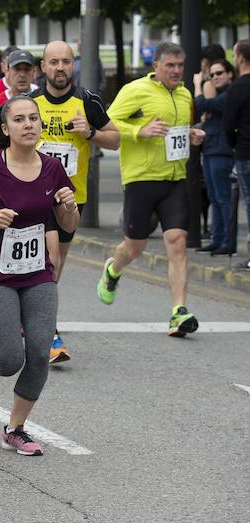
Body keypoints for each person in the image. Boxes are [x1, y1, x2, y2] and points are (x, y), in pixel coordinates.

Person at [0, 95, 78, 456]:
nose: (29, 125)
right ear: (6, 128)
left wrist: (69, 208)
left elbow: (68, 224)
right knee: (9, 360)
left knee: (40, 354)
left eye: (34, 119)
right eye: (20, 119)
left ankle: (15, 428)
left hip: (38, 272)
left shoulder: (53, 167)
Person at [99, 42, 205, 336]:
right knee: (135, 246)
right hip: (141, 178)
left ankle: (178, 312)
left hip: (175, 179)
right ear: (155, 67)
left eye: (179, 65)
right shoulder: (136, 91)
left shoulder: (184, 94)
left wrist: (192, 134)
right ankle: (112, 270)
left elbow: (179, 131)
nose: (175, 71)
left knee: (177, 242)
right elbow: (109, 123)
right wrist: (139, 131)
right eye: (170, 65)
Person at [31, 40, 120, 363]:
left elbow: (116, 139)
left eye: (65, 62)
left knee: (53, 265)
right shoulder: (30, 103)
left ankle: (35, 320)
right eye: (53, 62)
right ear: (43, 67)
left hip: (70, 198)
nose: (59, 68)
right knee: (48, 259)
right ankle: (48, 331)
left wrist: (91, 134)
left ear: (73, 65)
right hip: (31, 196)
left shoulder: (87, 101)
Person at [193, 59, 234, 255]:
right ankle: (218, 239)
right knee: (214, 196)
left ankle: (228, 240)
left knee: (223, 197)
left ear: (230, 74)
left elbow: (200, 104)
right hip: (210, 149)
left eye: (219, 73)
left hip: (221, 151)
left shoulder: (228, 95)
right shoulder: (219, 95)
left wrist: (197, 86)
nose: (215, 77)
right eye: (212, 74)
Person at [223, 39, 250, 269]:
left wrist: (234, 144)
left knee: (249, 202)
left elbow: (228, 124)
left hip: (245, 151)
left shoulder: (237, 88)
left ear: (241, 58)